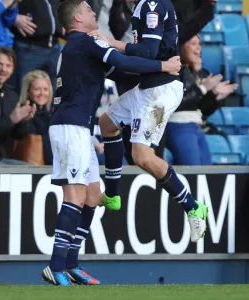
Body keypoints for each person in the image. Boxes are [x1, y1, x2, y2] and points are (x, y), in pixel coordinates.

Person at [42, 0, 182, 286]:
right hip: (70, 127)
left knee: (92, 196)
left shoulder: (80, 48)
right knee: (75, 197)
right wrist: (164, 65)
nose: (95, 13)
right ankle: (55, 266)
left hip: (80, 127)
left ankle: (72, 264)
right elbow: (123, 62)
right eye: (90, 10)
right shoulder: (83, 42)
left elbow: (119, 70)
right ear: (78, 18)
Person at [89, 0, 208, 243]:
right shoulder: (144, 5)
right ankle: (112, 194)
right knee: (107, 124)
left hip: (160, 89)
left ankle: (194, 207)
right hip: (149, 85)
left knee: (142, 157)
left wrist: (112, 44)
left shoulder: (152, 4)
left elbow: (148, 52)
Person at [166, 35, 237, 165]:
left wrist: (214, 96)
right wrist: (202, 88)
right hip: (178, 126)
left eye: (199, 44)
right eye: (193, 43)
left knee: (206, 173)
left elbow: (201, 110)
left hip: (196, 126)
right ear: (181, 47)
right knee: (194, 172)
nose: (198, 47)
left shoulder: (200, 72)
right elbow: (175, 104)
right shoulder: (173, 70)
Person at [14, 70, 53, 165]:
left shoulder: (49, 116)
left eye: (45, 89)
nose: (42, 93)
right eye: (37, 89)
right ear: (28, 92)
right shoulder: (24, 114)